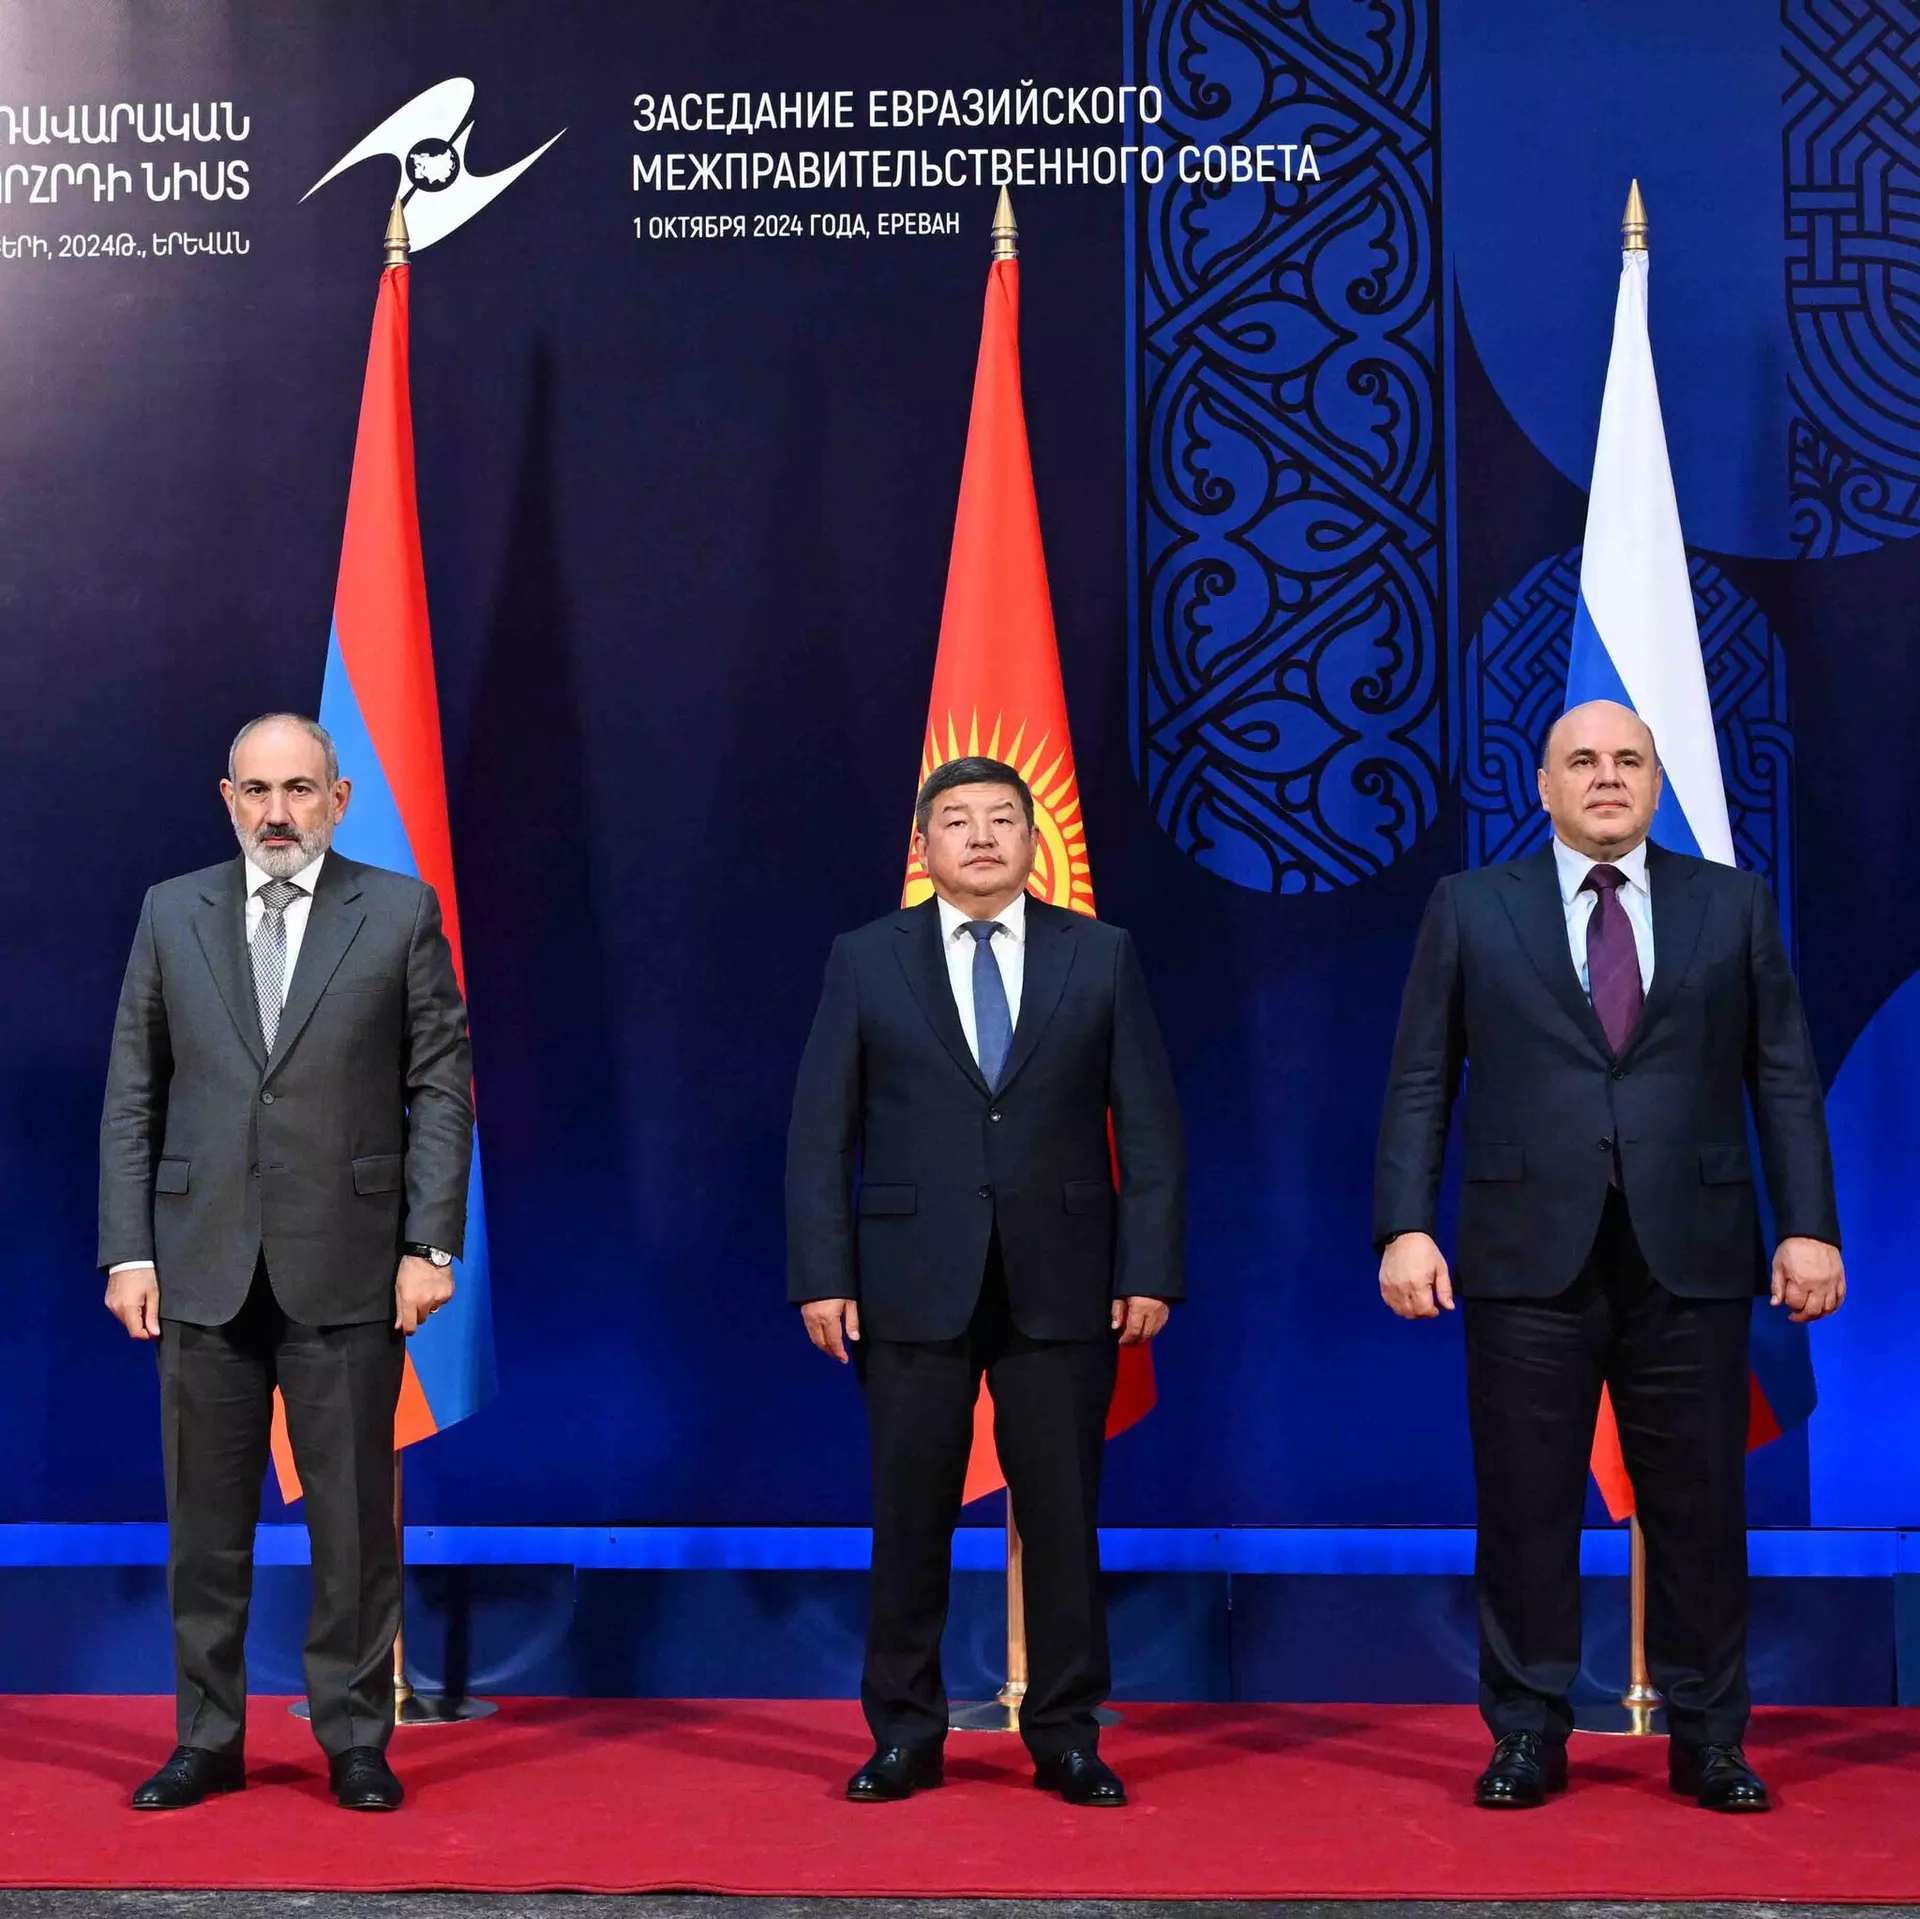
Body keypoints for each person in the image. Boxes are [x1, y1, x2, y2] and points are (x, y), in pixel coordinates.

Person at [1374, 700, 1843, 1813]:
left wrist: (1810, 1223)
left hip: (1694, 1250)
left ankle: (1709, 1738)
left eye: (1629, 759)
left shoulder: (1731, 902)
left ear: (1656, 781)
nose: (1606, 776)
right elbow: (1422, 1075)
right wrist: (1403, 1223)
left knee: (1701, 1505)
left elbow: (1781, 1072)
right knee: (1525, 1503)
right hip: (1523, 1251)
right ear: (1542, 785)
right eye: (1581, 760)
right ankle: (1526, 1732)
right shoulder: (1471, 905)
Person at [787, 756, 1184, 1808]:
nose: (979, 836)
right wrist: (821, 1273)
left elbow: (1150, 1127)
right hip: (908, 1279)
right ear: (923, 845)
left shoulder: (1099, 954)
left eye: (1002, 819)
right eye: (956, 820)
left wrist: (1149, 1264)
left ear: (1032, 842)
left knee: (1062, 1517)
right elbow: (821, 1131)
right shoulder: (866, 958)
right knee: (909, 1514)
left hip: (1068, 1279)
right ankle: (904, 1733)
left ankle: (1065, 1733)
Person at [98, 713, 473, 1813]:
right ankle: (205, 1739)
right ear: (228, 798)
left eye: (299, 789)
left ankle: (355, 1737)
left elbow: (441, 1088)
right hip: (197, 1262)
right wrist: (129, 1249)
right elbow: (133, 1093)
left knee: (352, 1524)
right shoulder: (171, 910)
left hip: (350, 1263)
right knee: (203, 1528)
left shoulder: (399, 911)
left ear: (338, 799)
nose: (277, 812)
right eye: (256, 791)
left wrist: (428, 1243)